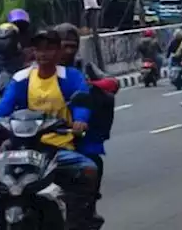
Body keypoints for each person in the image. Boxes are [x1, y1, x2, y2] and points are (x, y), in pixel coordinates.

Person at [0, 28, 100, 230]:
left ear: (58, 52)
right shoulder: (22, 78)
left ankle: (82, 217)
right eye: (39, 49)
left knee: (89, 169)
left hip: (58, 147)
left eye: (49, 49)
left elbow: (82, 103)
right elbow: (5, 106)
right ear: (33, 52)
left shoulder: (70, 77)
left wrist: (80, 121)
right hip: (22, 145)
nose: (44, 54)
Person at [55, 23, 112, 227]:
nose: (68, 51)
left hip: (77, 130)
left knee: (93, 162)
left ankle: (88, 206)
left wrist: (94, 85)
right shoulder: (41, 68)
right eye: (64, 45)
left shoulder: (83, 67)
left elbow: (110, 83)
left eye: (72, 46)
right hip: (45, 131)